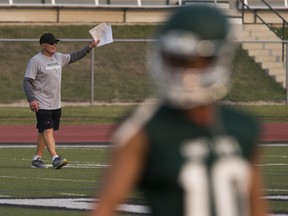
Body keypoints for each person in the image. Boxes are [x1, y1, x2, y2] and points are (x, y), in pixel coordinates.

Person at [90, 5, 269, 216]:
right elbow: (104, 209)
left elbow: (257, 208)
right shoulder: (141, 130)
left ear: (220, 59)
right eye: (174, 59)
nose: (184, 72)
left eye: (195, 61)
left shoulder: (243, 128)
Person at [23, 32, 99, 169]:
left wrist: (90, 46)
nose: (54, 45)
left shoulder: (59, 57)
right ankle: (55, 158)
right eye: (52, 43)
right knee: (48, 130)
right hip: (41, 102)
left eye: (55, 43)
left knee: (44, 130)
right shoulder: (36, 61)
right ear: (43, 45)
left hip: (55, 103)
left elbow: (75, 56)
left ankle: (36, 159)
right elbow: (27, 81)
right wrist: (32, 99)